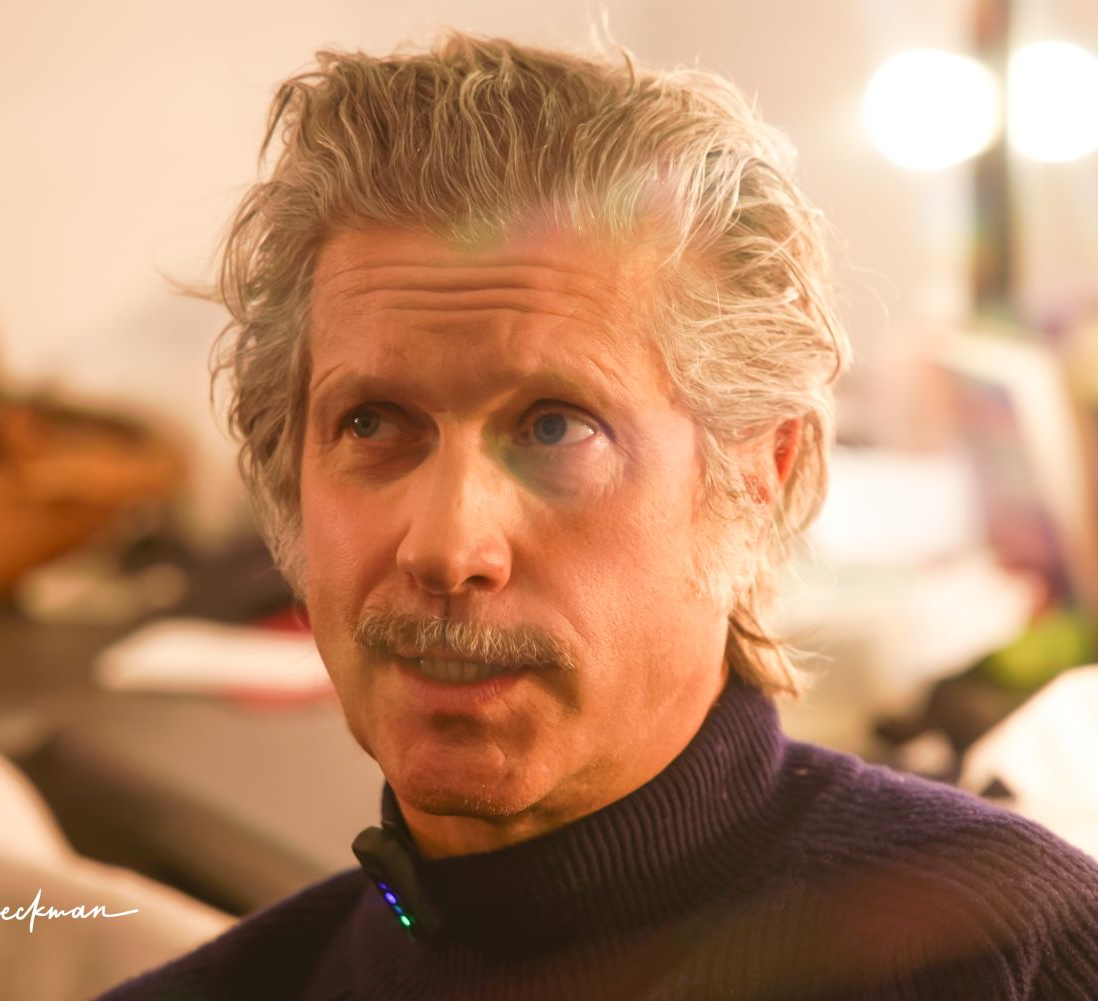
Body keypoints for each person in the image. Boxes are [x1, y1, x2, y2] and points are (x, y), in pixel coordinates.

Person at [99, 32, 1098, 999]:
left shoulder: (1012, 951)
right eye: (372, 423)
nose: (447, 547)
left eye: (555, 427)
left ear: (760, 470)